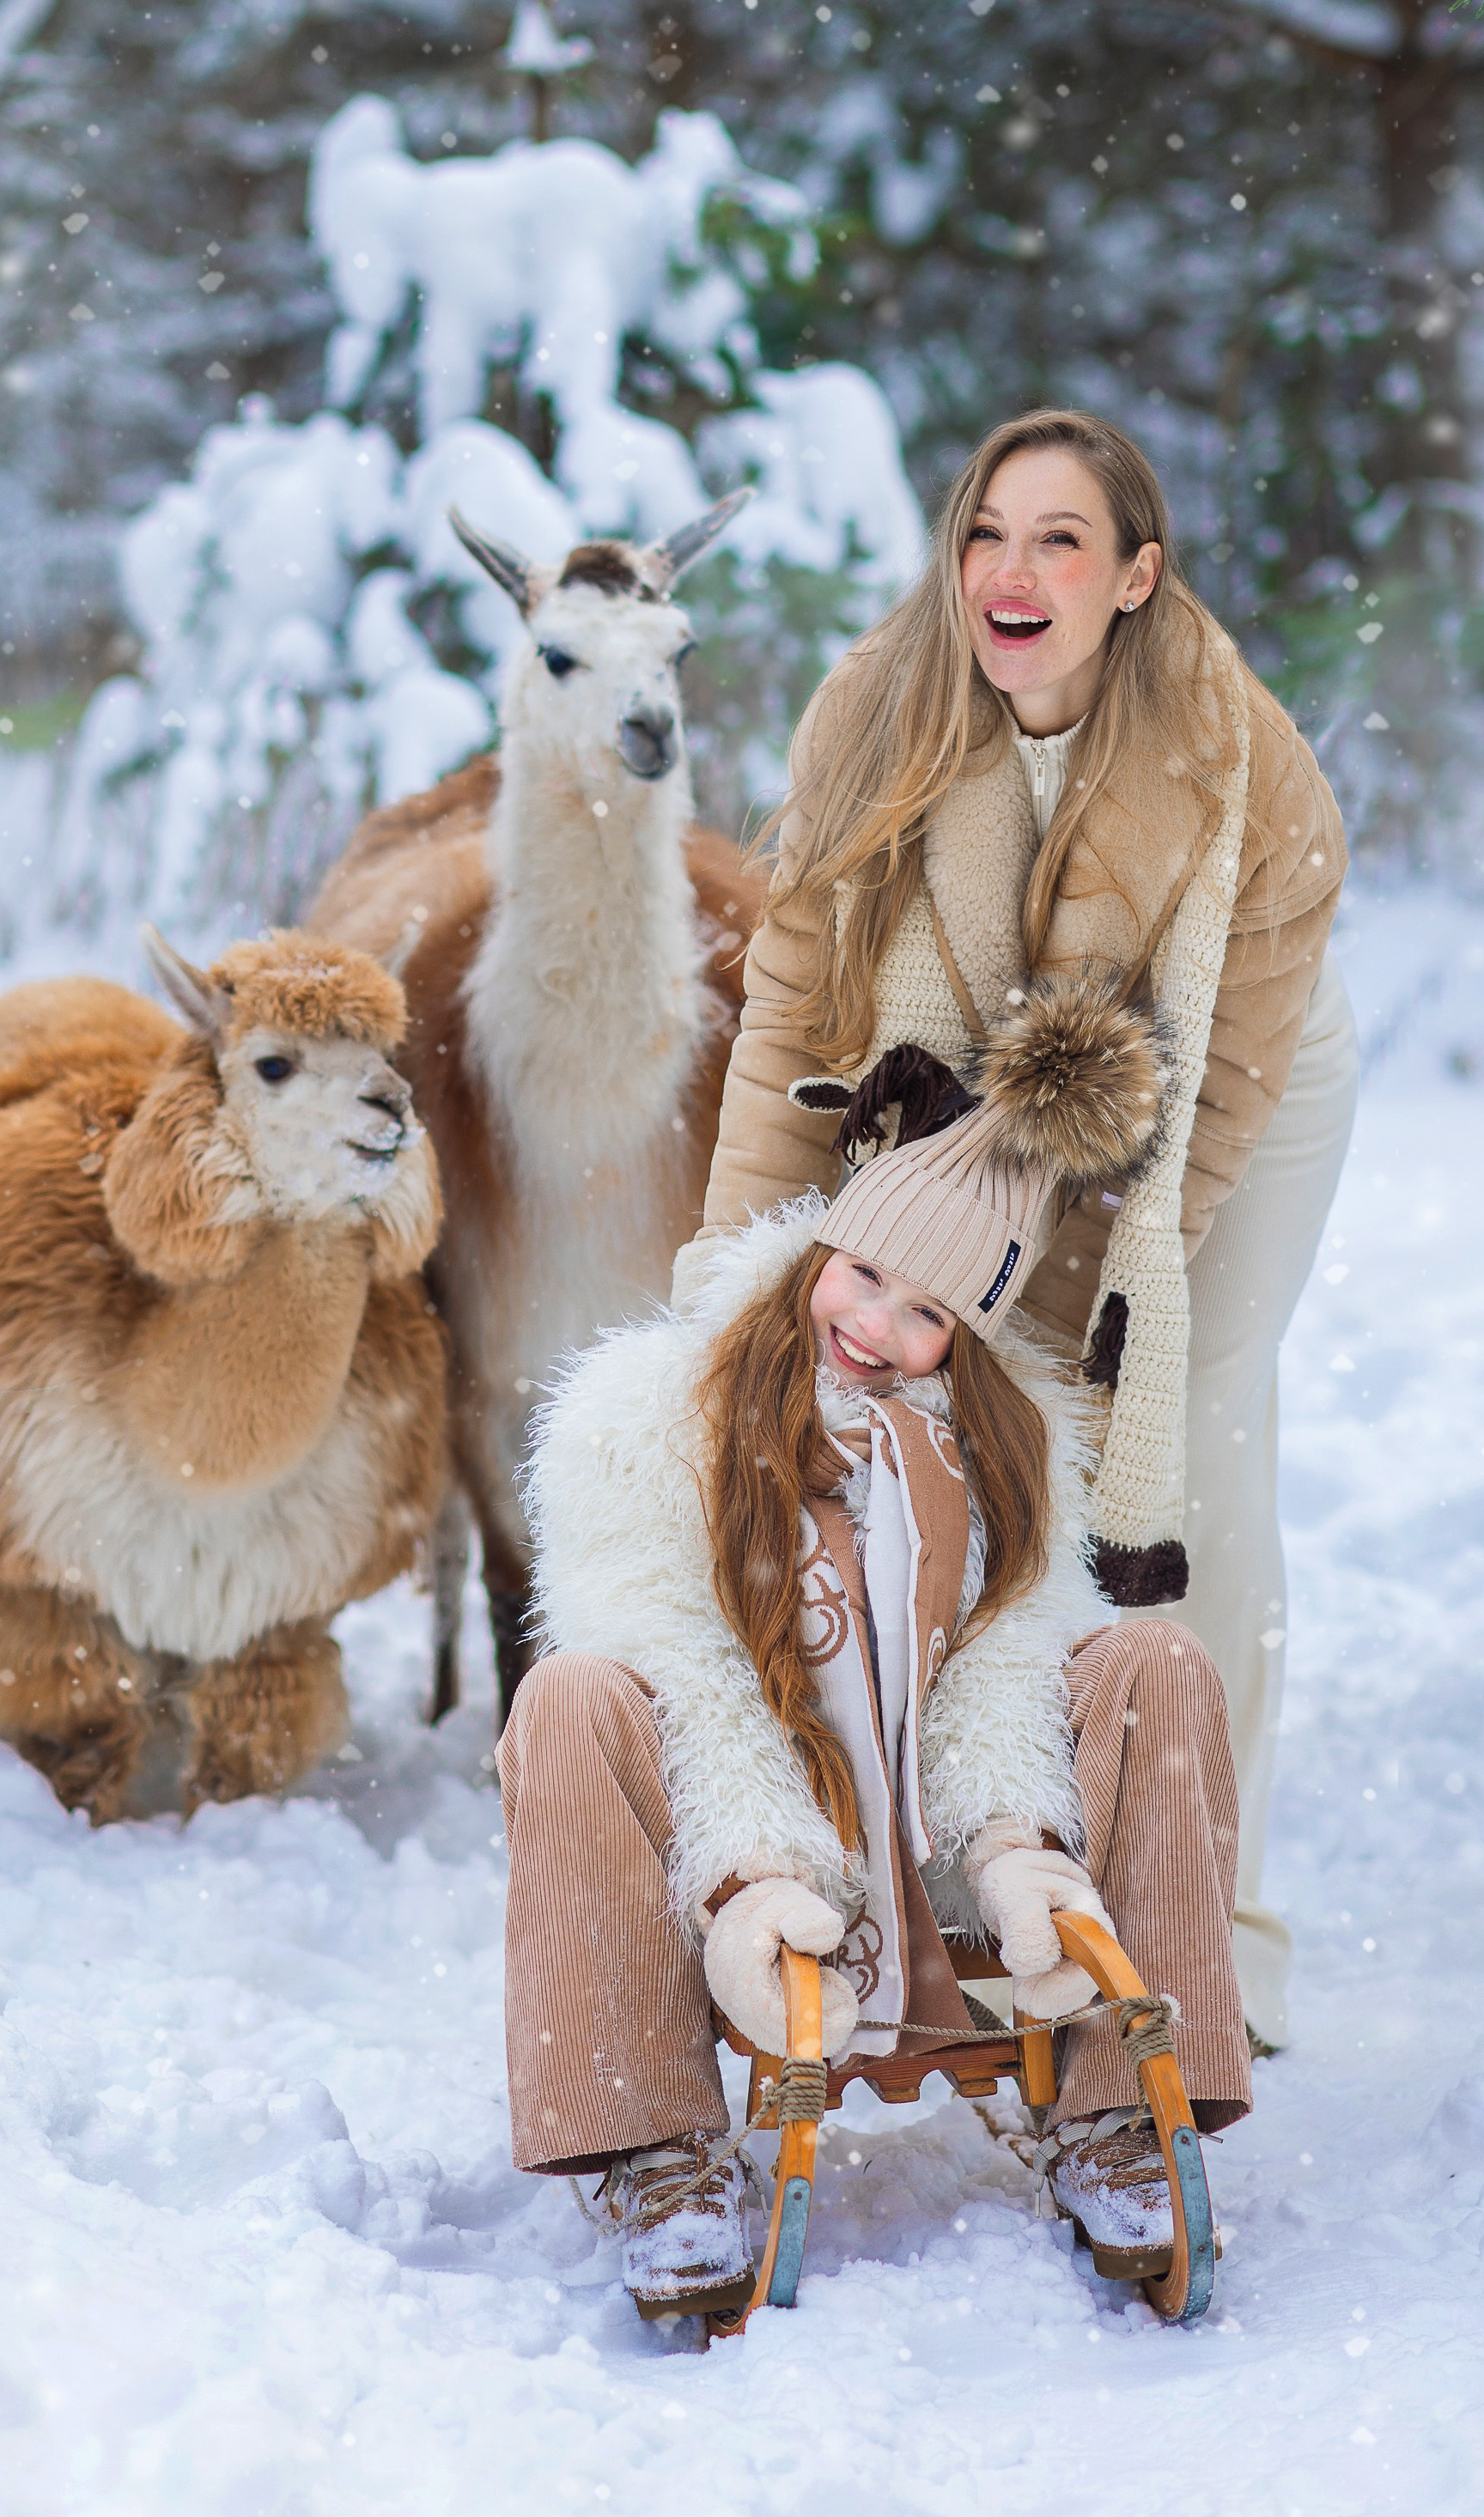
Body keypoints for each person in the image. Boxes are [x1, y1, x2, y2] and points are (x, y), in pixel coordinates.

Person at [675, 409, 1356, 2048]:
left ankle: (1215, 1914)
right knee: (902, 1431)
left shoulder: (1238, 759)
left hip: (1222, 1101)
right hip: (959, 1097)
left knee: (1164, 1445)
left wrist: (1082, 1296)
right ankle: (959, 1859)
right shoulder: (873, 712)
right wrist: (732, 1274)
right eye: (985, 531)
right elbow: (790, 1017)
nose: (1010, 571)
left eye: (1058, 538)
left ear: (1135, 576)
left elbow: (1216, 1089)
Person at [502, 982, 1252, 2325]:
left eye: (927, 1316)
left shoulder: (992, 1450)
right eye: (865, 1276)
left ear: (962, 1341)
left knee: (1154, 1665)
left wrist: (1014, 1840)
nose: (877, 1328)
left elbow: (1001, 1658)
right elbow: (675, 1661)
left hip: (927, 1822)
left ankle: (1116, 2111)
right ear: (817, 1252)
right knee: (568, 1696)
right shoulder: (645, 1413)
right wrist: (751, 1874)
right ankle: (653, 2146)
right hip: (741, 1819)